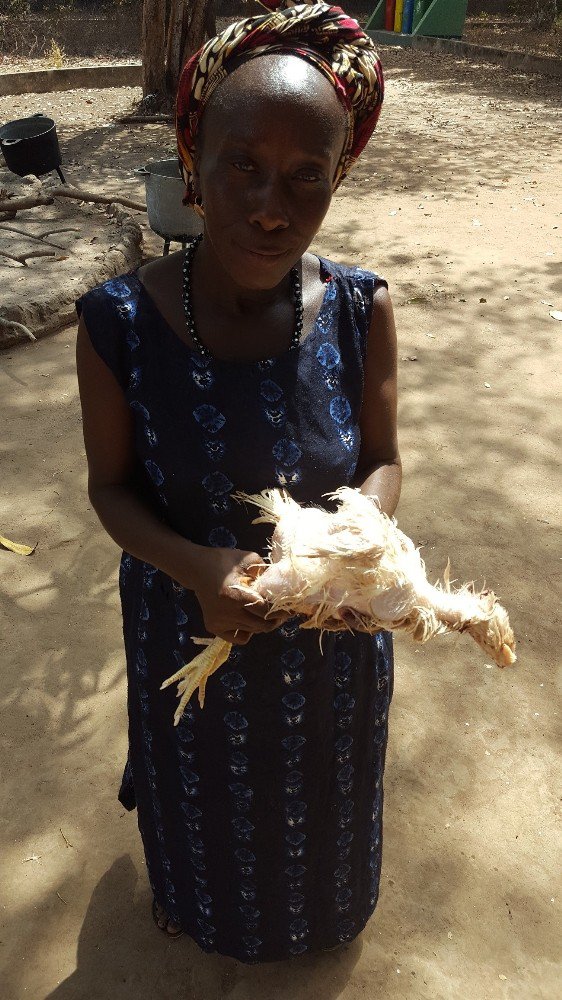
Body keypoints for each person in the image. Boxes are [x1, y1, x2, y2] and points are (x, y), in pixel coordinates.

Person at [76, 0, 400, 962]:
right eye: (242, 167)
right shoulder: (117, 324)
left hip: (331, 644)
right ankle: (195, 901)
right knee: (199, 794)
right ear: (193, 166)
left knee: (326, 803)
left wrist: (357, 544)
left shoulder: (362, 309)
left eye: (307, 177)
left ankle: (326, 918)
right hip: (187, 624)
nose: (271, 205)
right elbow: (110, 490)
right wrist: (195, 569)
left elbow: (383, 462)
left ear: (338, 178)